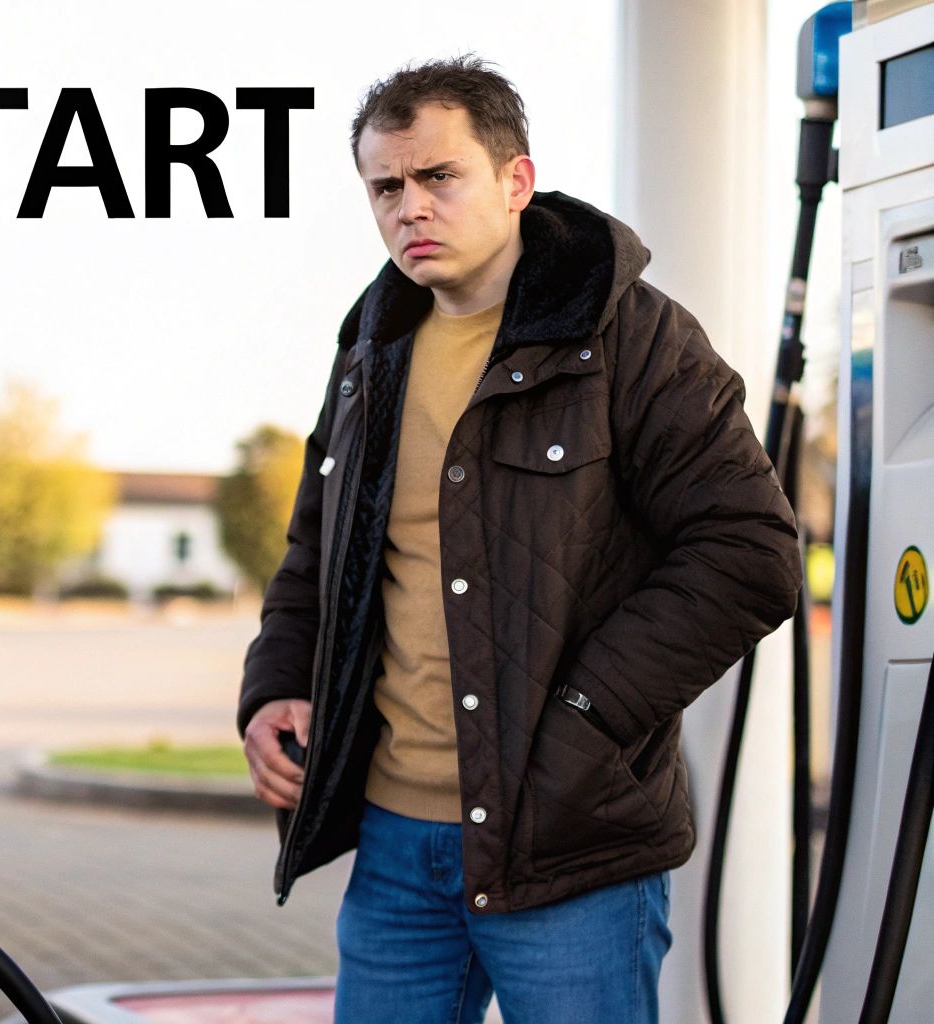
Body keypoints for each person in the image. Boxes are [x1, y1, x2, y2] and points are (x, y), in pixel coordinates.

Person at [235, 55, 801, 1023]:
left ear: (513, 180)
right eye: (385, 187)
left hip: (569, 843)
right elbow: (311, 552)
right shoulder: (368, 351)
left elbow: (749, 551)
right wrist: (273, 681)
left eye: (436, 177)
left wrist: (580, 716)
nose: (407, 207)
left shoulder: (630, 337)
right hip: (395, 848)